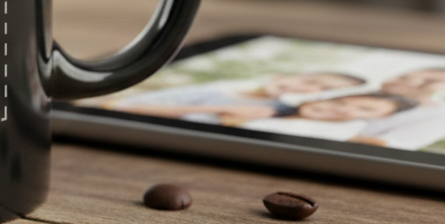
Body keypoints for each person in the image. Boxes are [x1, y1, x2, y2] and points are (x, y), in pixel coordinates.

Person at [103, 71, 366, 127]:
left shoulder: (275, 110)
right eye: (310, 79)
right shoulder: (226, 83)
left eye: (318, 89)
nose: (306, 87)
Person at [350, 67, 445, 150]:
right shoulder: (355, 87)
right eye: (404, 76)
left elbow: (393, 146)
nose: (413, 82)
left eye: (431, 81)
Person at [245, 93, 418, 141]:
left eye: (364, 109)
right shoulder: (273, 108)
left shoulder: (339, 132)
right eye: (341, 102)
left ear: (383, 117)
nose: (344, 109)